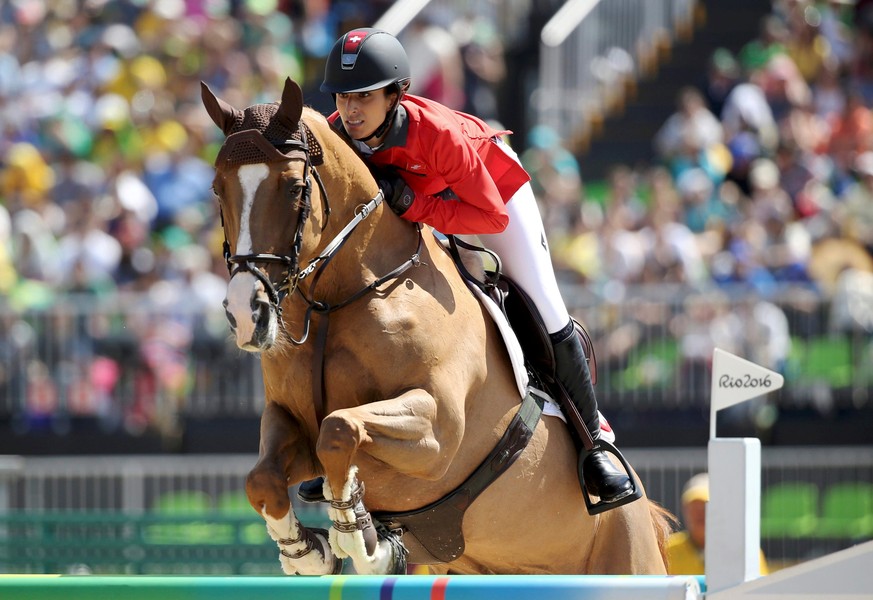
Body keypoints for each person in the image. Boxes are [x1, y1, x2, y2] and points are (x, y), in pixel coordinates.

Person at [295, 27, 637, 509]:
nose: (351, 110)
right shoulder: (338, 135)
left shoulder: (435, 133)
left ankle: (595, 445)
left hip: (491, 192)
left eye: (365, 97)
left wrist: (415, 205)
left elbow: (489, 216)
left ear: (397, 95)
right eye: (345, 97)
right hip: (430, 200)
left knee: (542, 301)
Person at [667, 473, 770, 575]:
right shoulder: (667, 550)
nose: (699, 513)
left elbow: (758, 589)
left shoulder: (745, 552)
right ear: (684, 510)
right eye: (693, 507)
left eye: (705, 506)